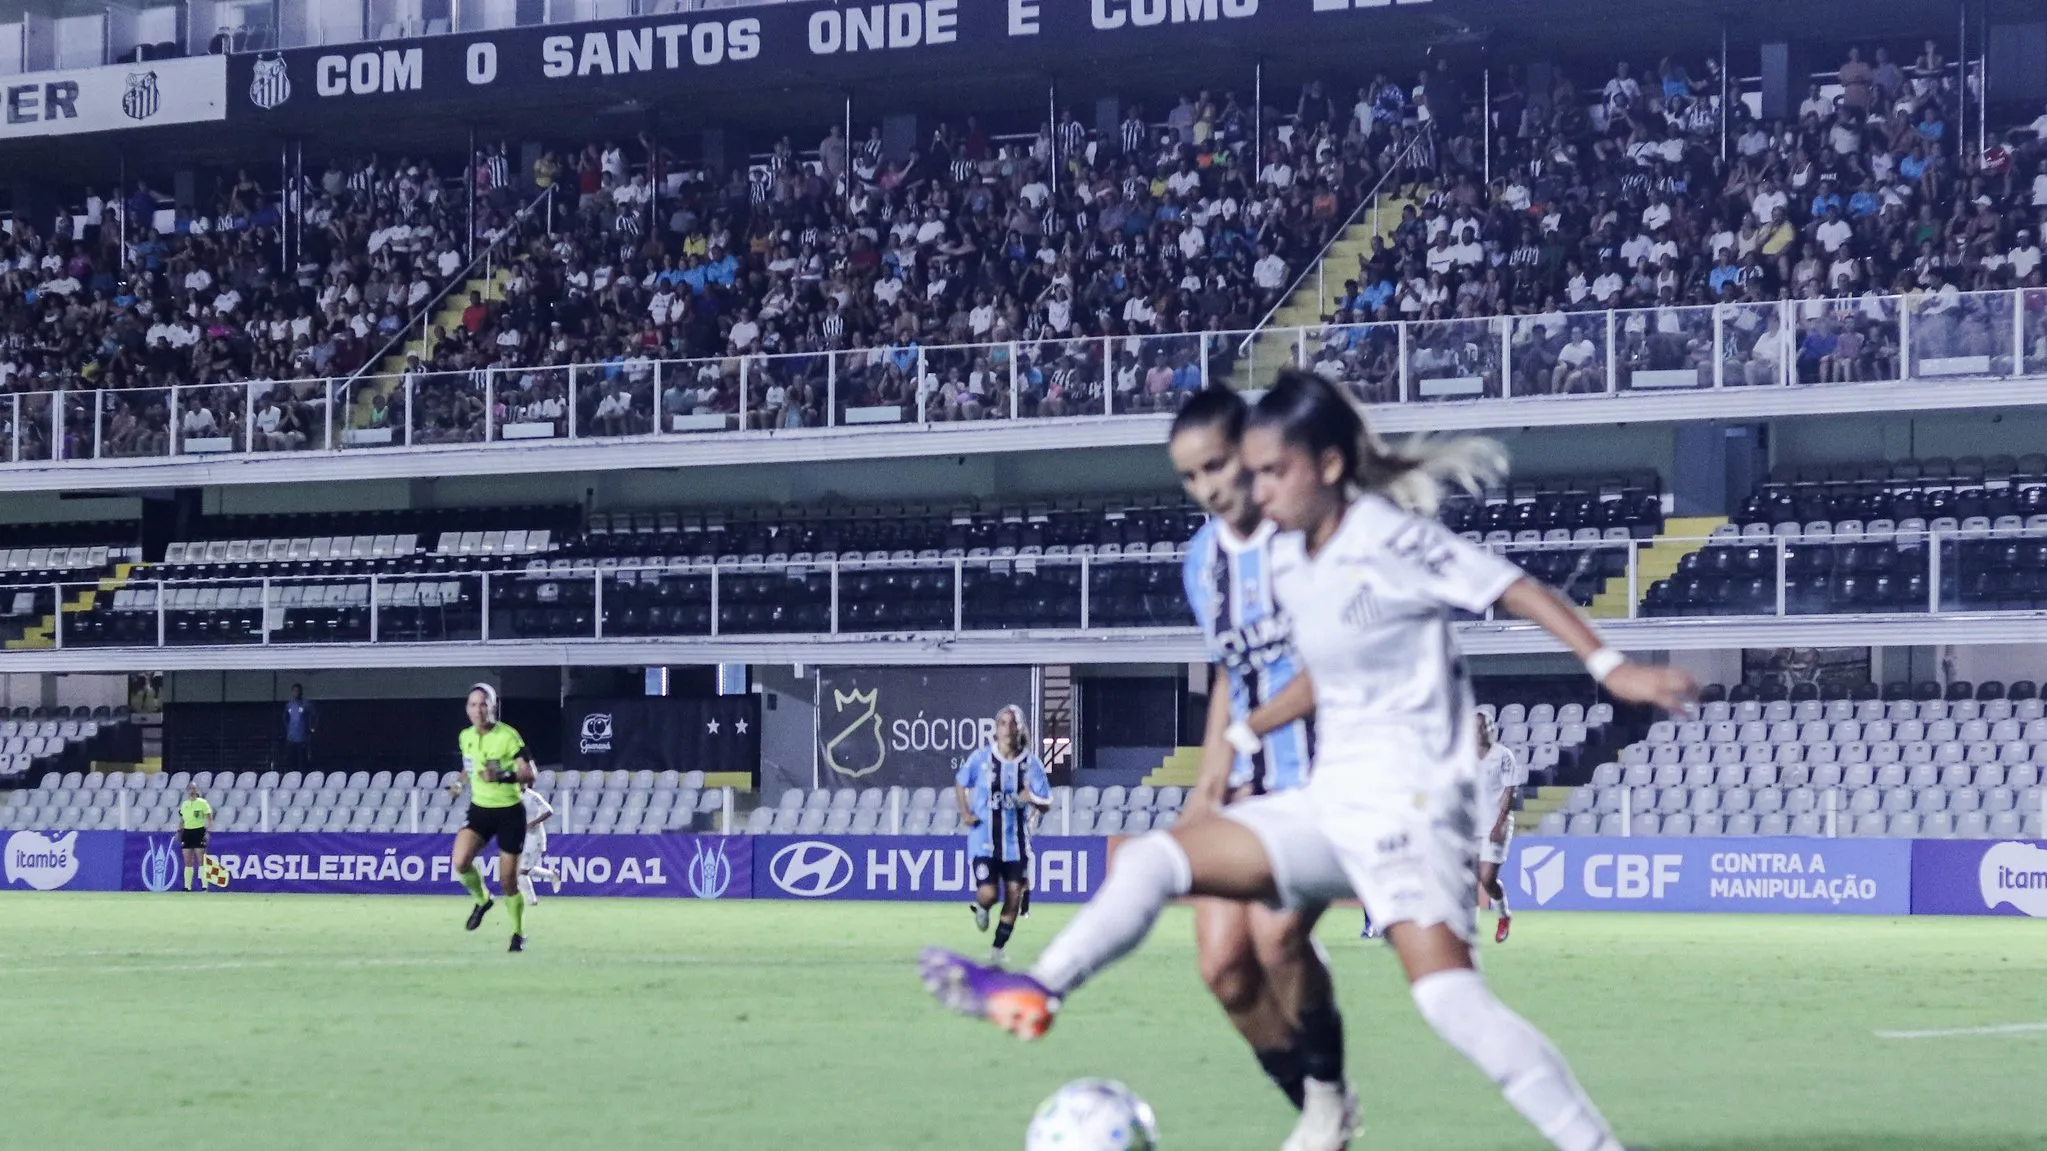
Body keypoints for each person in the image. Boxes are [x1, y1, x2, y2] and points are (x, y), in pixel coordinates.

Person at [920, 370, 1695, 1151]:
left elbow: (1511, 588)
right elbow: (1308, 672)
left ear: (1325, 466)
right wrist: (1242, 740)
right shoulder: (1284, 560)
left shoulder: (1385, 538)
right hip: (1328, 797)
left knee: (1450, 1002)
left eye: (1265, 470)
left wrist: (1609, 668)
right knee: (1154, 859)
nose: (1248, 488)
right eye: (1240, 471)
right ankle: (1037, 987)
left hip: (1414, 806)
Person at [1168, 387, 1356, 1149]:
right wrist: (1207, 783)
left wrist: (1249, 734)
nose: (1208, 487)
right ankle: (1318, 1112)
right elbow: (1228, 670)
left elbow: (1340, 663)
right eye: (1189, 477)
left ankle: (1329, 1094)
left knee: (1277, 941)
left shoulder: (1309, 540)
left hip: (1330, 777)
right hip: (1247, 783)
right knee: (1223, 968)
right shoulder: (1199, 561)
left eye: (1216, 465)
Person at [956, 705, 1051, 964]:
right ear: (995, 729)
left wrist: (1030, 798)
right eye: (1003, 723)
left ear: (1020, 729)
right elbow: (961, 782)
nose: (1008, 728)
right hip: (984, 841)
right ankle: (982, 908)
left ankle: (997, 949)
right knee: (989, 894)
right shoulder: (981, 758)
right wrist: (965, 812)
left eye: (1013, 723)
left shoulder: (1031, 764)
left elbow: (1047, 802)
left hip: (1015, 842)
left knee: (1013, 898)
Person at [446, 683, 537, 952]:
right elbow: (469, 765)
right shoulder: (465, 736)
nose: (478, 709)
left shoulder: (508, 736)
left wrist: (501, 776)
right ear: (467, 709)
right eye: (473, 704)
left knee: (508, 881)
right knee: (460, 862)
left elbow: (530, 774)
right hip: (480, 809)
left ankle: (518, 933)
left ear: (493, 706)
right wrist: (461, 783)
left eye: (483, 704)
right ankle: (482, 899)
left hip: (509, 812)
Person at [1474, 711, 1527, 944]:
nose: (1482, 730)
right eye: (1477, 727)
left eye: (1485, 725)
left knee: (1487, 878)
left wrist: (1500, 823)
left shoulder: (1503, 756)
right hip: (1470, 825)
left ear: (1491, 728)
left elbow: (1510, 791)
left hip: (1496, 823)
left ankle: (1504, 915)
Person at [519, 786, 561, 905]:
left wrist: (532, 823)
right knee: (525, 869)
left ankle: (531, 901)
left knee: (522, 872)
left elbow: (549, 811)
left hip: (534, 838)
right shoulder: (512, 797)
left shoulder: (533, 796)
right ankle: (552, 875)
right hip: (523, 838)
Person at [178, 782, 214, 892]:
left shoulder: (202, 803)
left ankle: (204, 886)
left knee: (201, 860)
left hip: (198, 831)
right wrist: (179, 831)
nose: (192, 790)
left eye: (193, 788)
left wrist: (208, 831)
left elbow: (209, 818)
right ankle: (187, 886)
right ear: (187, 790)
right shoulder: (184, 804)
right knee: (187, 860)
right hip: (187, 833)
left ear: (196, 789)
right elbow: (183, 819)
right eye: (190, 788)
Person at [281, 683, 316, 771]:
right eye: (294, 691)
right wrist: (287, 728)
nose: (296, 692)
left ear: (301, 692)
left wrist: (312, 729)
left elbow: (315, 715)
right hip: (291, 738)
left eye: (297, 691)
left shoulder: (306, 704)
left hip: (302, 738)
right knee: (290, 761)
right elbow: (284, 717)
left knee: (302, 763)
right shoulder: (289, 705)